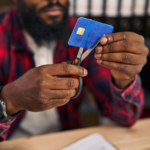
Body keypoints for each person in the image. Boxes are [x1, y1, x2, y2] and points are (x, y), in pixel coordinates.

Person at [0, 0, 148, 141]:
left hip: (68, 140)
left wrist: (123, 79)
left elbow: (125, 118)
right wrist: (9, 100)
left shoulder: (84, 34)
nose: (54, 1)